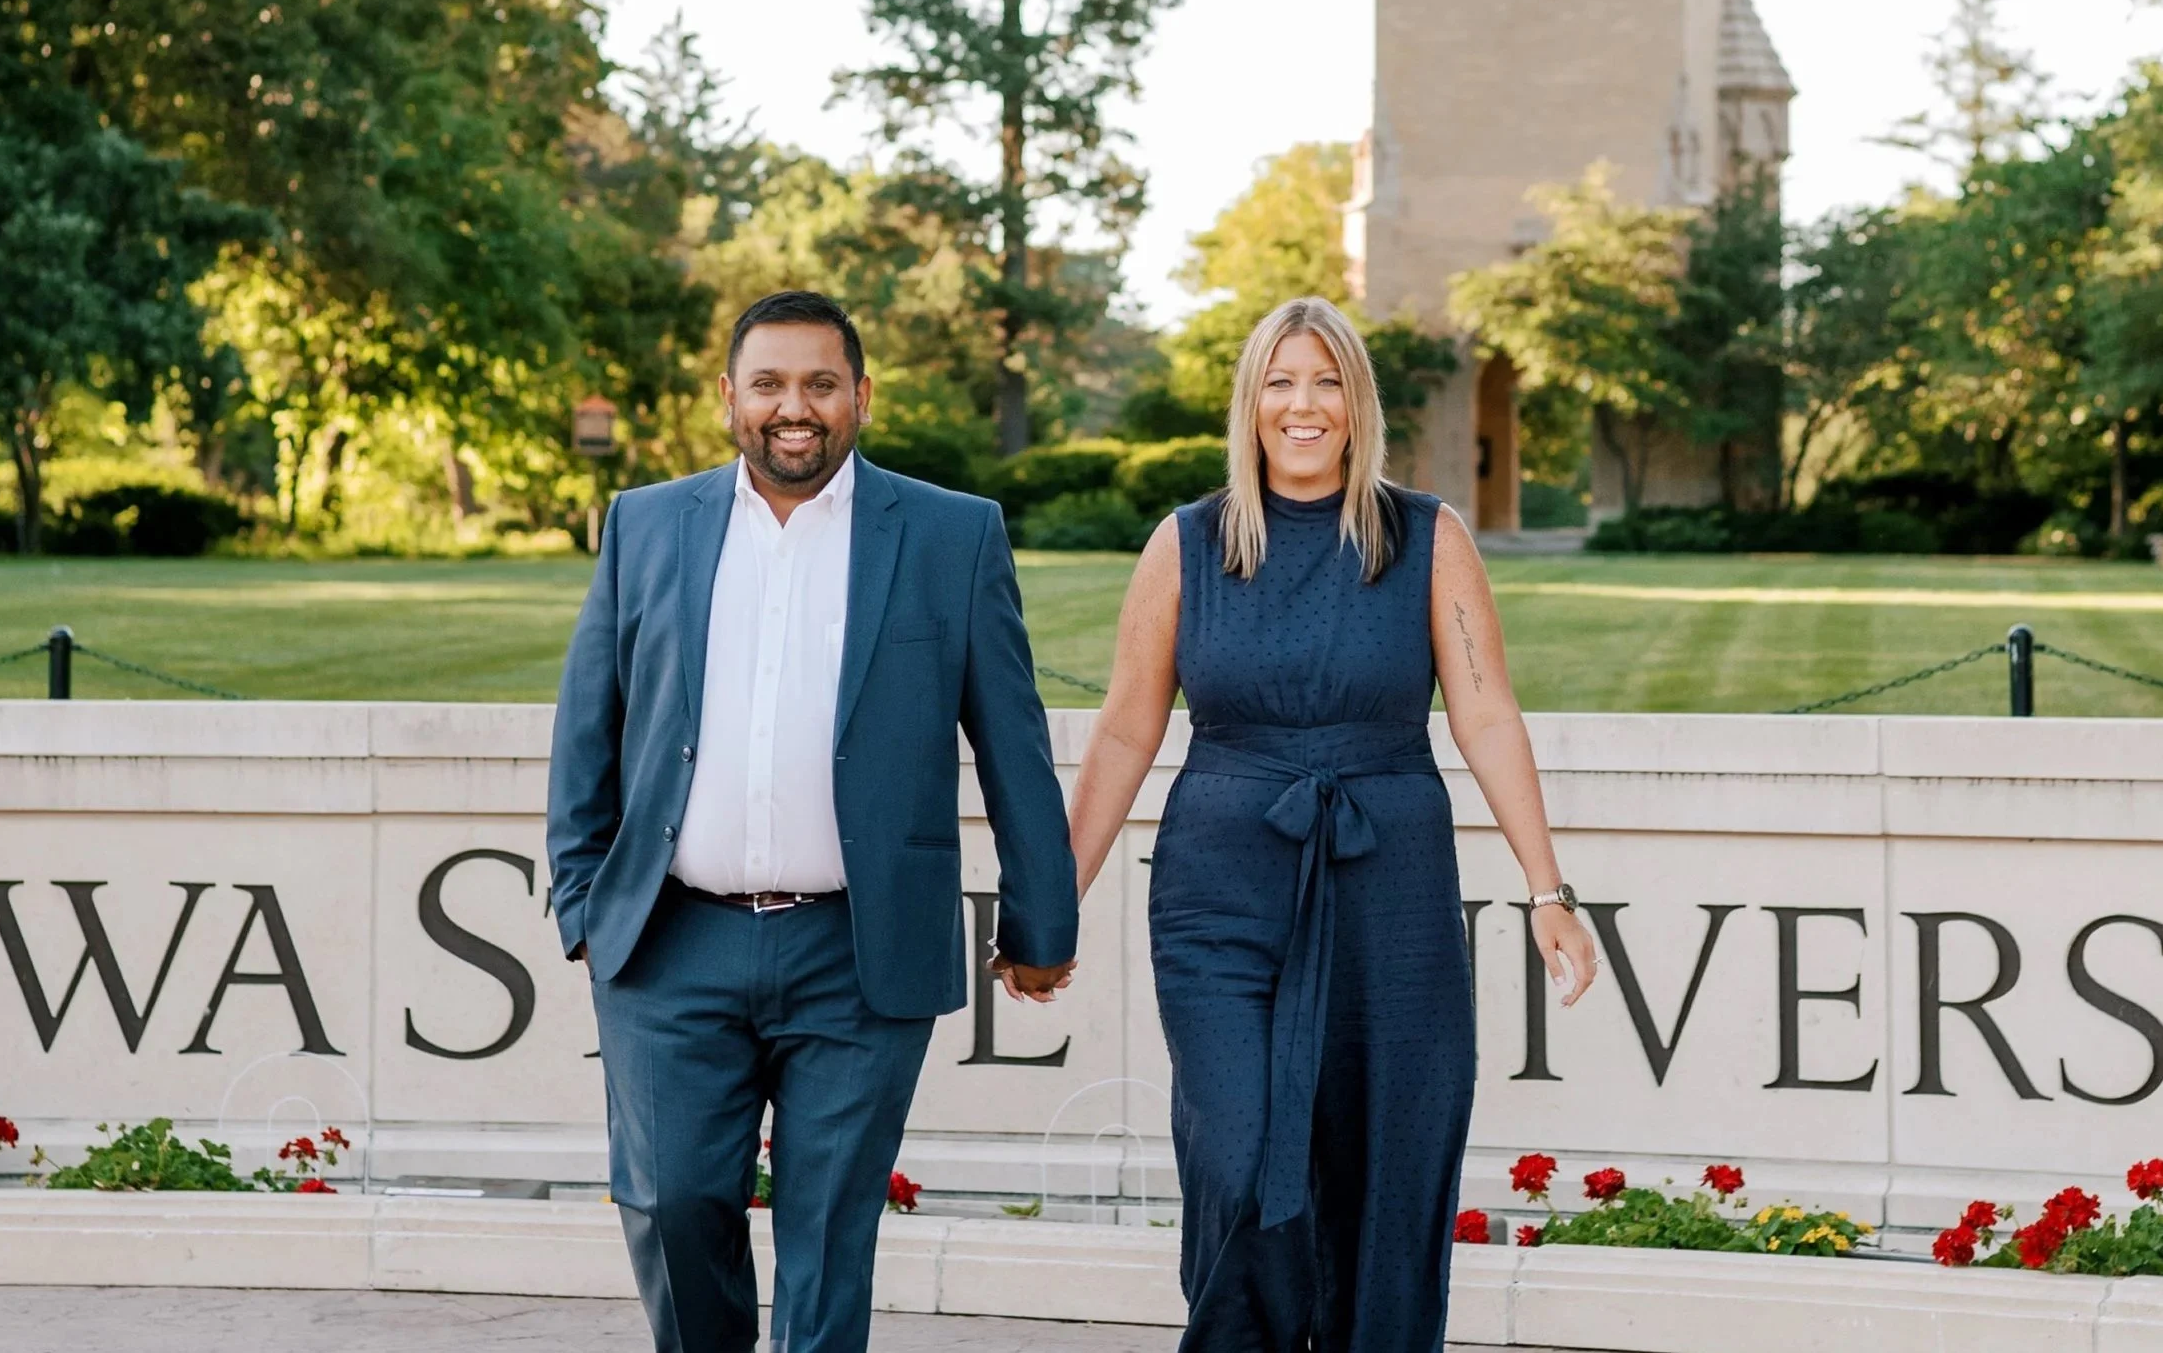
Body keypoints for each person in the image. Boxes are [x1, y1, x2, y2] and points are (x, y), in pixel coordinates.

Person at [546, 289, 1079, 1353]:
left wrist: (1041, 920)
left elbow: (1012, 745)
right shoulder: (647, 523)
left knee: (830, 1229)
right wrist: (581, 901)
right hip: (669, 940)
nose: (796, 407)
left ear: (862, 397)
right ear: (729, 398)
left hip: (859, 946)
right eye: (771, 384)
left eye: (821, 384)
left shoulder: (950, 535)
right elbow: (586, 728)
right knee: (670, 1200)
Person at [1064, 296, 1601, 1350]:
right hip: (1222, 883)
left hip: (1387, 883)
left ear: (1357, 406)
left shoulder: (1426, 536)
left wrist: (1548, 889)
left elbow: (1485, 710)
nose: (1301, 405)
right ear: (1247, 403)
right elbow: (1126, 732)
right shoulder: (1186, 545)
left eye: (1324, 383)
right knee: (1236, 1147)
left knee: (1387, 1151)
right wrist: (1052, 904)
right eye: (1278, 381)